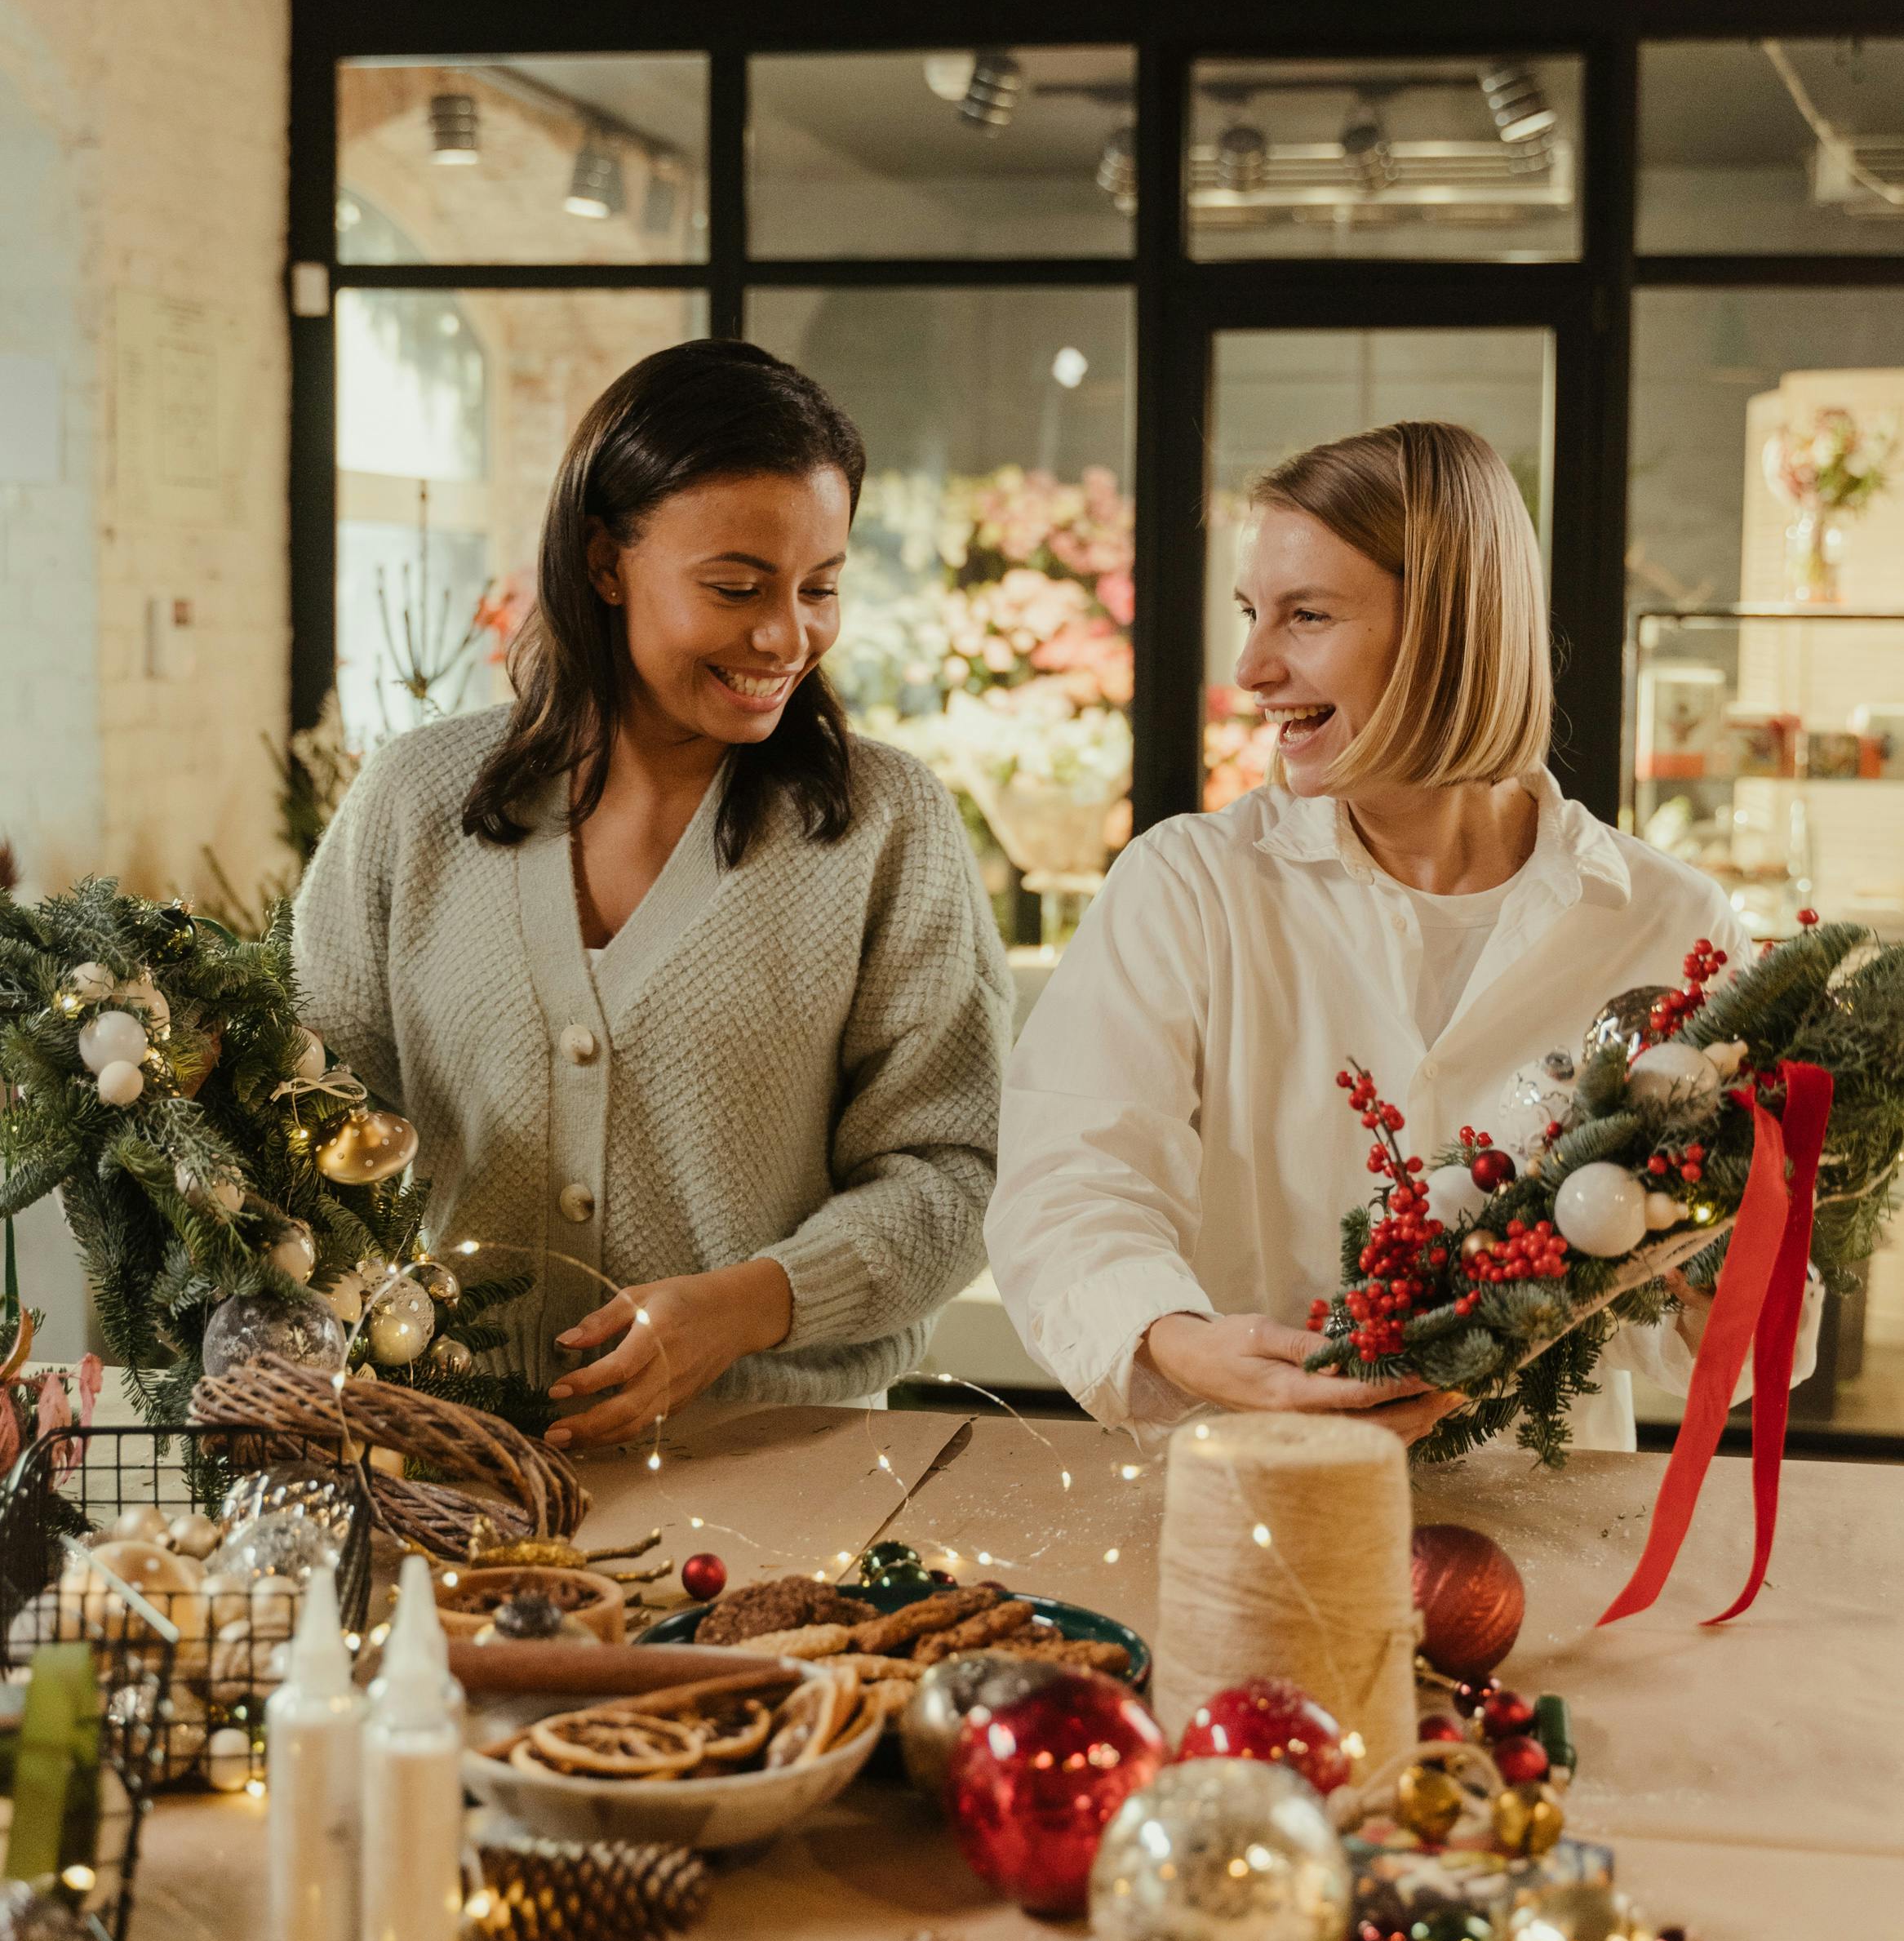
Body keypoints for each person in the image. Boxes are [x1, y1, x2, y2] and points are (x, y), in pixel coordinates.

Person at [986, 420, 1817, 1447]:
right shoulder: (1186, 887)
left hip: (1549, 1540)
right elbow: (1068, 1180)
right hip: (1243, 1500)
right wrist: (1169, 1333)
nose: (1249, 665)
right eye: (1253, 612)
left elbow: (1730, 1340)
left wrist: (1712, 1260)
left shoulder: (1667, 921)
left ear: (1447, 629)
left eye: (1306, 616)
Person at [295, 337, 1012, 1440]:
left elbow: (958, 1173)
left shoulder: (884, 826)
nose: (786, 636)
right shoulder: (412, 801)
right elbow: (300, 1122)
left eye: (821, 588)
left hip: (787, 1465)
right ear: (605, 564)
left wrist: (749, 1307)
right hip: (446, 1461)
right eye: (736, 587)